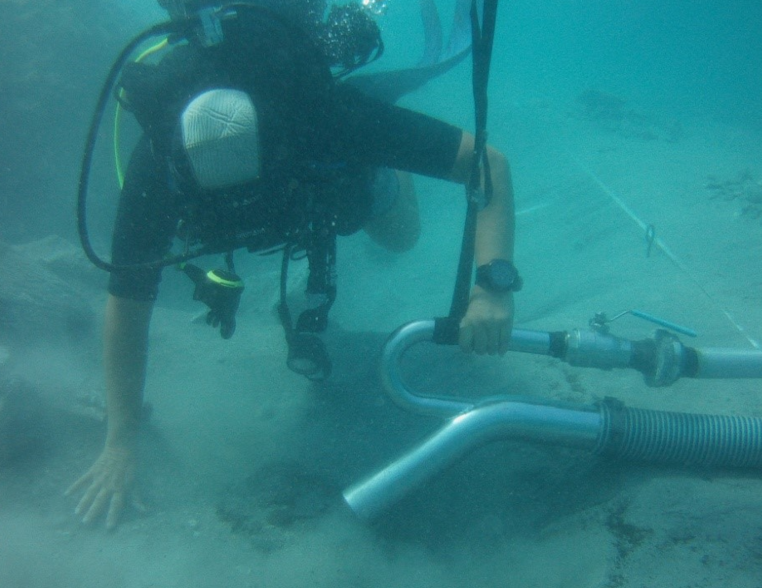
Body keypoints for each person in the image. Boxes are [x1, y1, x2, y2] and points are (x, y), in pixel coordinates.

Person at [68, 0, 520, 529]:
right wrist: (120, 439)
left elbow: (489, 165)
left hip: (337, 187)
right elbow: (127, 303)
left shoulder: (323, 115)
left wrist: (492, 286)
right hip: (302, 174)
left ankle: (391, 172)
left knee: (400, 239)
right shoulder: (157, 165)